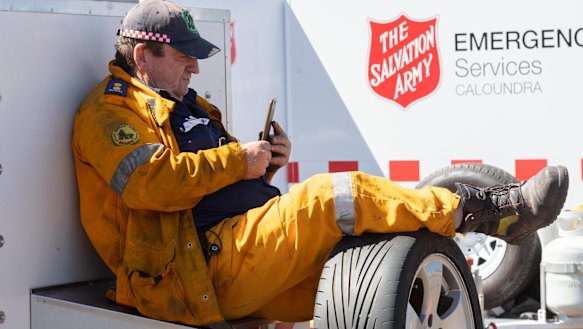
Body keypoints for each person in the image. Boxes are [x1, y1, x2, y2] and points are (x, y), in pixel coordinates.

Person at [72, 0, 569, 327]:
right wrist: (236, 160)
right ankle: (485, 210)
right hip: (195, 270)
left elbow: (210, 182)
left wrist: (262, 164)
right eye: (184, 57)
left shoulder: (189, 105)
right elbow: (147, 184)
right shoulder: (107, 112)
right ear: (143, 56)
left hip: (241, 246)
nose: (195, 66)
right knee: (331, 195)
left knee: (387, 271)